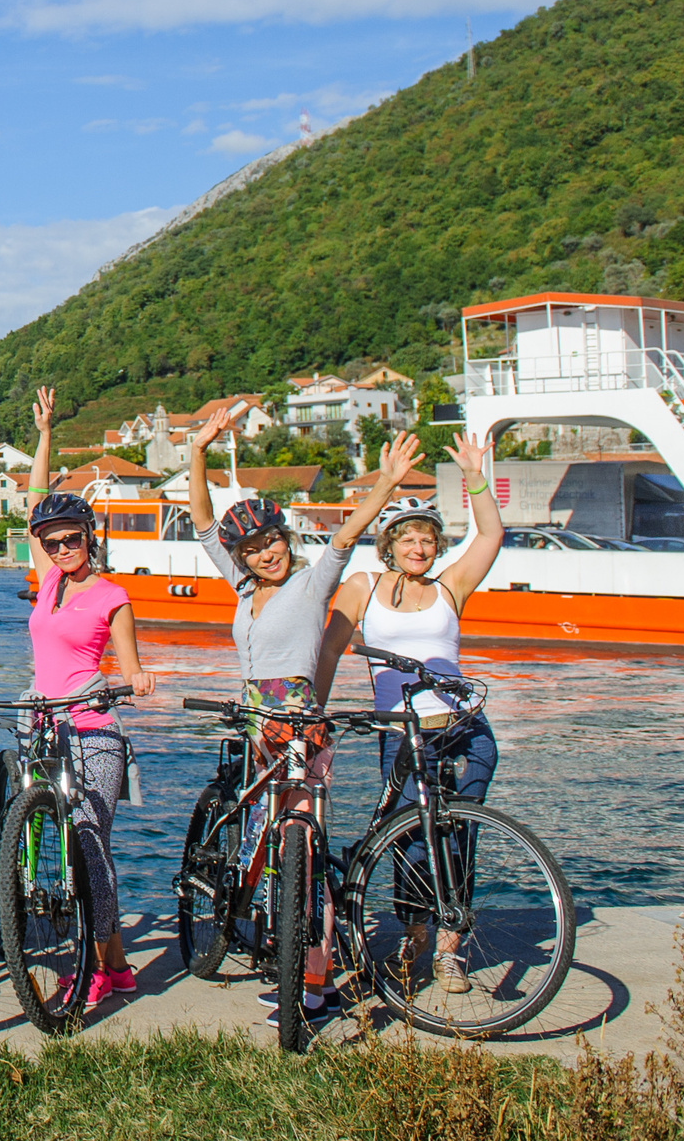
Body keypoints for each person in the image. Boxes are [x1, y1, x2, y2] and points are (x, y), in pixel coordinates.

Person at [187, 410, 422, 1020]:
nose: (266, 554)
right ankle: (270, 938)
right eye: (253, 548)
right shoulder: (242, 589)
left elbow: (345, 538)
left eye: (273, 542)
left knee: (305, 853)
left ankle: (311, 983)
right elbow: (205, 523)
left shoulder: (311, 585)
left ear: (286, 540)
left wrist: (387, 484)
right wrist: (198, 452)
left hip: (301, 727)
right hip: (253, 724)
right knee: (263, 837)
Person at [317, 430, 505, 994]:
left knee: (459, 837)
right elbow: (329, 647)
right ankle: (416, 930)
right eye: (408, 540)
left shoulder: (452, 586)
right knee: (411, 838)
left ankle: (450, 949)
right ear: (390, 545)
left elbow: (492, 533)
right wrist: (315, 713)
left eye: (427, 540)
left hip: (465, 729)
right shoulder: (363, 585)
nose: (418, 549)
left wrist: (476, 476)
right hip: (404, 734)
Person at [21, 385, 157, 1004]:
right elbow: (33, 502)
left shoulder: (111, 595)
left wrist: (137, 680)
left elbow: (128, 665)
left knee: (89, 845)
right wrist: (46, 433)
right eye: (50, 541)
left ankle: (99, 969)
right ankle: (120, 963)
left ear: (88, 537)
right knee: (57, 837)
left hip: (94, 730)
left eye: (69, 538)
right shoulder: (47, 581)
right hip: (41, 722)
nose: (58, 548)